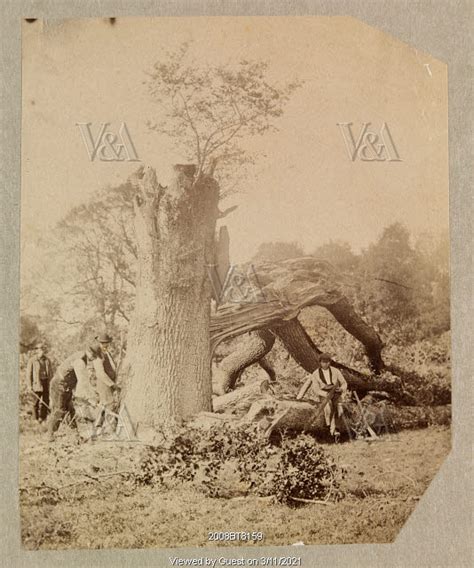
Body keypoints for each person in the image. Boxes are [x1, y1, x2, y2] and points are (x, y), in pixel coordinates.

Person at [47, 345, 100, 442]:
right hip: (59, 385)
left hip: (66, 386)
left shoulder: (83, 358)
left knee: (71, 410)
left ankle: (76, 436)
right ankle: (50, 435)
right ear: (90, 352)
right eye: (95, 356)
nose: (95, 359)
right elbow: (83, 381)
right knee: (59, 410)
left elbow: (79, 380)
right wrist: (90, 399)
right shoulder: (80, 361)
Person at [296, 352, 348, 438]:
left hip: (335, 392)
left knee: (339, 408)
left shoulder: (336, 371)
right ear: (320, 362)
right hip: (323, 393)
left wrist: (341, 389)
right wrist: (325, 394)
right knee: (328, 407)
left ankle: (336, 429)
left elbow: (344, 383)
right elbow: (316, 389)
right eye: (323, 362)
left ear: (330, 362)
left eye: (327, 362)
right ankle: (329, 428)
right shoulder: (315, 373)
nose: (325, 364)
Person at [26, 343, 53, 422]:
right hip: (37, 383)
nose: (42, 351)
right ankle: (35, 419)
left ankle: (43, 418)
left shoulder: (47, 360)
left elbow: (51, 373)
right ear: (36, 350)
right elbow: (28, 374)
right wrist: (29, 385)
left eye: (43, 349)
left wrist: (51, 384)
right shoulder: (32, 360)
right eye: (40, 349)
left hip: (46, 383)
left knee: (46, 401)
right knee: (35, 402)